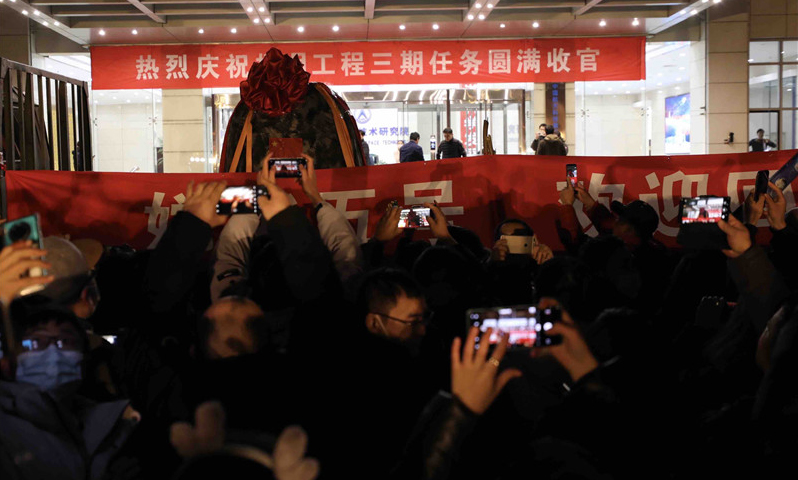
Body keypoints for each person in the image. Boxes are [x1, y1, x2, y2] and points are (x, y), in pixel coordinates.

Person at [0, 303, 141, 479]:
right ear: (7, 363)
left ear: (84, 358)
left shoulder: (112, 426)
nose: (52, 353)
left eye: (65, 341)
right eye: (35, 342)